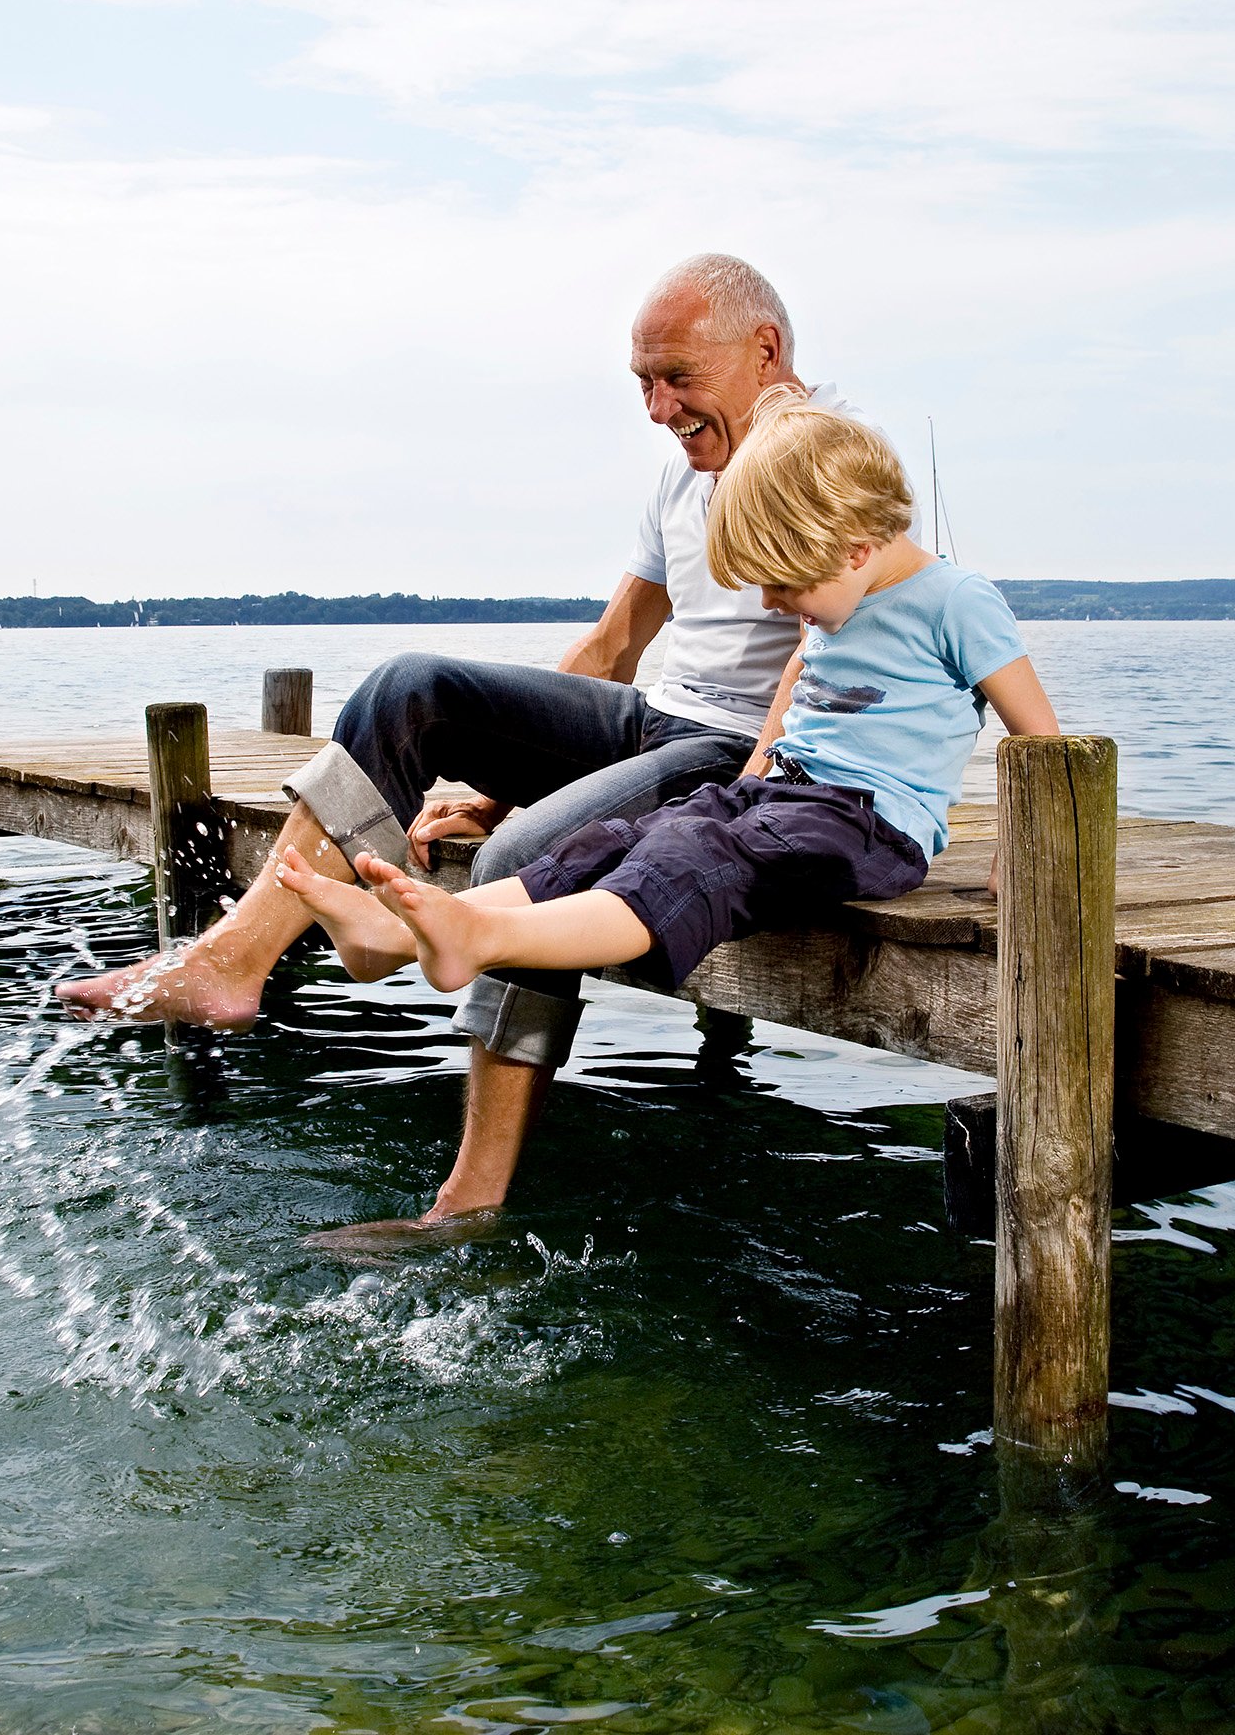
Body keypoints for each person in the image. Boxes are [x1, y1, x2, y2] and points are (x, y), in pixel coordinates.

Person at [57, 255, 860, 1227]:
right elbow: (613, 645)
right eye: (641, 382)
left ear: (765, 349)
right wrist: (506, 773)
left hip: (736, 753)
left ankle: (468, 1197)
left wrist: (757, 786)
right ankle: (239, 956)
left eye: (676, 378)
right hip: (653, 720)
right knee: (411, 688)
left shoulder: (831, 459)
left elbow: (829, 650)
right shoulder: (681, 482)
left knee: (529, 856)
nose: (656, 407)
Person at [274, 395, 1061, 1114]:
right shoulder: (839, 600)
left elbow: (1045, 744)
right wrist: (752, 778)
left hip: (867, 826)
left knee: (697, 860)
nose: (773, 604)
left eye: (784, 587)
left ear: (856, 549)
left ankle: (479, 936)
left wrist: (1029, 857)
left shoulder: (958, 602)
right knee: (623, 838)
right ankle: (398, 934)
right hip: (785, 796)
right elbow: (794, 696)